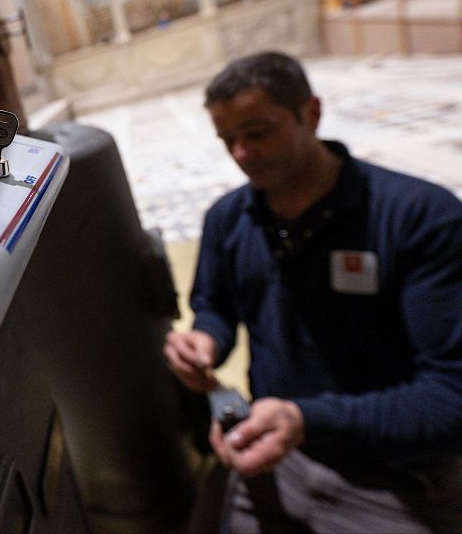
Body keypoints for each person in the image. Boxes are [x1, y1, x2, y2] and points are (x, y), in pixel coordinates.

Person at [164, 52, 462, 533]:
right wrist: (207, 341)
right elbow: (215, 304)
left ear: (312, 113)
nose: (241, 153)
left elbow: (451, 397)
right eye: (227, 140)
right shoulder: (227, 219)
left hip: (396, 477)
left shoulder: (419, 217)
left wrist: (304, 418)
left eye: (257, 133)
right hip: (274, 452)